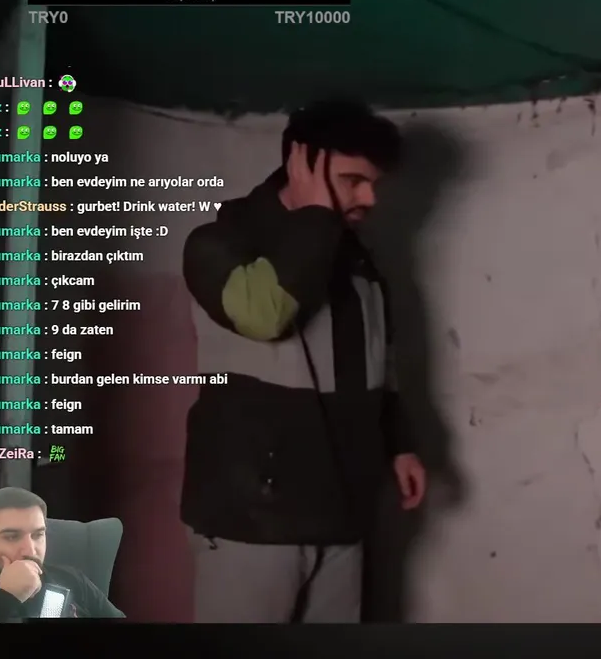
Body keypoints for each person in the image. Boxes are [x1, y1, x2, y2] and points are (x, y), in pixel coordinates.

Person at [181, 99, 427, 623]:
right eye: (353, 181)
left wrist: (399, 444)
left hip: (342, 511)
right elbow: (264, 316)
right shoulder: (220, 243)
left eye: (374, 184)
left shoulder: (357, 260)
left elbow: (380, 362)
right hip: (252, 518)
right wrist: (316, 215)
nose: (370, 198)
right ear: (302, 164)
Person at [0, 487, 124, 619]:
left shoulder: (75, 580)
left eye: (38, 535)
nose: (31, 550)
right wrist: (5, 597)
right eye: (12, 537)